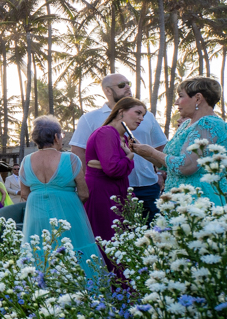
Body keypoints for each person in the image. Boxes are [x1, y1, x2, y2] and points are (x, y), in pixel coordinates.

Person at [71, 73, 167, 223]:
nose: (128, 87)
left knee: (152, 234)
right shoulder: (90, 119)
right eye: (122, 85)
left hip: (147, 185)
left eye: (128, 83)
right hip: (109, 187)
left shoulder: (147, 117)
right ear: (108, 90)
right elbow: (78, 152)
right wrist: (86, 182)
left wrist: (161, 173)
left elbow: (161, 146)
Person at [19, 116, 101, 282]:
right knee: (74, 250)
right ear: (56, 137)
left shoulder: (26, 161)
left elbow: (24, 193)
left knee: (39, 250)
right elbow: (84, 193)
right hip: (68, 212)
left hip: (37, 214)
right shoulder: (70, 159)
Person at [131, 76, 227, 206]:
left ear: (198, 98)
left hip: (198, 200)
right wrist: (142, 151)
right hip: (179, 198)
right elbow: (168, 164)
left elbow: (185, 166)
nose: (176, 102)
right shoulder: (187, 123)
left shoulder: (208, 124)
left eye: (181, 96)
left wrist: (152, 152)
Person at [84, 97, 146, 274]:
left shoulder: (124, 137)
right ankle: (114, 288)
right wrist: (129, 157)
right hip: (102, 193)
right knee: (108, 240)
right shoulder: (107, 133)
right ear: (121, 112)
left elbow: (120, 169)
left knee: (120, 241)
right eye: (138, 113)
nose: (141, 118)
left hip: (117, 191)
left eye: (143, 115)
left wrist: (124, 160)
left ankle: (123, 288)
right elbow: (114, 169)